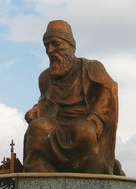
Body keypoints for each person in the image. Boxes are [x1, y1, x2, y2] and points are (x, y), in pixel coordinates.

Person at [23, 20, 124, 175]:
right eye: (46, 45)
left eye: (55, 44)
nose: (50, 50)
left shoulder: (91, 67)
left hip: (84, 120)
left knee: (84, 131)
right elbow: (45, 101)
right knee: (37, 128)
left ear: (69, 46)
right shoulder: (45, 77)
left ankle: (93, 177)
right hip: (55, 121)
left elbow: (108, 90)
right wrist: (37, 109)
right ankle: (39, 179)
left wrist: (97, 116)